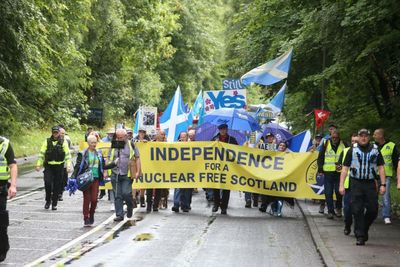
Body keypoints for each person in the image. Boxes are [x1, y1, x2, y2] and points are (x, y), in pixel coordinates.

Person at [339, 129, 386, 246]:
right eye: (361, 136)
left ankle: (363, 228)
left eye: (366, 136)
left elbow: (381, 167)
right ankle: (360, 236)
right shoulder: (352, 150)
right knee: (357, 209)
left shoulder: (375, 150)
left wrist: (383, 184)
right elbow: (345, 168)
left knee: (373, 210)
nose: (363, 138)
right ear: (358, 137)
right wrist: (341, 185)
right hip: (356, 183)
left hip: (370, 183)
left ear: (369, 137)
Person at [72, 135, 117, 226]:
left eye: (95, 142)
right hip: (85, 179)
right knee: (87, 199)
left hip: (95, 179)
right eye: (92, 143)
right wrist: (73, 177)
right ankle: (86, 218)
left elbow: (103, 166)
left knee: (94, 200)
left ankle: (91, 214)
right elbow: (77, 166)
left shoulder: (99, 153)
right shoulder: (83, 153)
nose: (94, 144)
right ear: (88, 143)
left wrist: (113, 164)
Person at [36, 126, 72, 210]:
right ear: (52, 133)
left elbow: (67, 155)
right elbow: (41, 153)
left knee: (57, 185)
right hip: (49, 166)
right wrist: (38, 164)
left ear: (59, 133)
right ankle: (48, 200)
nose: (55, 134)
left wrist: (68, 166)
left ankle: (54, 203)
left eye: (57, 132)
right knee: (47, 183)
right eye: (54, 132)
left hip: (59, 166)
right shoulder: (47, 141)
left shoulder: (63, 142)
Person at [108, 128, 140, 221]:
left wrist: (138, 171)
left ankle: (130, 206)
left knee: (126, 193)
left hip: (127, 173)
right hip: (115, 173)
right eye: (117, 137)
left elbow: (137, 158)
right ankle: (119, 215)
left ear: (126, 136)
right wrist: (106, 171)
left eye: (121, 137)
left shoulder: (132, 144)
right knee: (117, 195)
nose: (119, 139)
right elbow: (109, 157)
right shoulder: (114, 145)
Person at [317, 130, 345, 219]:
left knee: (338, 191)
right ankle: (330, 211)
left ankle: (338, 208)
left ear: (339, 137)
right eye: (333, 137)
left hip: (339, 172)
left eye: (336, 137)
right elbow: (320, 157)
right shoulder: (325, 143)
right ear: (330, 136)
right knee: (328, 193)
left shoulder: (344, 144)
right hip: (328, 172)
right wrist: (320, 169)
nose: (335, 139)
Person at [373, 128, 399, 225]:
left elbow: (396, 162)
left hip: (387, 175)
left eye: (375, 134)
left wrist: (398, 175)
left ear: (380, 135)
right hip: (374, 175)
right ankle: (373, 214)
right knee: (372, 196)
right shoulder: (373, 146)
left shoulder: (391, 146)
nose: (373, 136)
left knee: (385, 196)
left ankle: (386, 216)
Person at [211, 124, 238, 215]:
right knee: (216, 187)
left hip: (228, 167)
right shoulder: (214, 139)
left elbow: (238, 151)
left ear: (227, 130)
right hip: (217, 167)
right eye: (221, 129)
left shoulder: (232, 140)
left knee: (226, 188)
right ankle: (216, 204)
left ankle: (224, 207)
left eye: (224, 129)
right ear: (219, 130)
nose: (222, 131)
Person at [0, 136, 17, 262]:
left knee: (1, 223)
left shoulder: (5, 143)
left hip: (1, 188)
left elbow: (13, 165)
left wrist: (13, 185)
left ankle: (3, 248)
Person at [337, 133, 358, 235]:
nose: (354, 143)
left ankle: (358, 230)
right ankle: (347, 224)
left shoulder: (365, 152)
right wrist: (339, 167)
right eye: (353, 141)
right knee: (347, 208)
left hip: (360, 185)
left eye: (356, 141)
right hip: (348, 184)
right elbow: (339, 165)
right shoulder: (346, 151)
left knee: (359, 208)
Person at [172, 132, 193, 213]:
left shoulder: (192, 145)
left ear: (187, 138)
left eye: (184, 137)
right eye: (181, 137)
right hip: (178, 169)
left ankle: (185, 205)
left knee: (187, 189)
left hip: (188, 170)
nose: (182, 138)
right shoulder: (176, 145)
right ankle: (176, 204)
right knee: (178, 187)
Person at [259, 133, 277, 213]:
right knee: (264, 189)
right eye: (268, 137)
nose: (270, 138)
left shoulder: (277, 146)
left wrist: (274, 146)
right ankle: (264, 205)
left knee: (272, 189)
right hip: (265, 170)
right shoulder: (263, 146)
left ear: (273, 138)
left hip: (274, 171)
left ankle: (272, 206)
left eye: (271, 137)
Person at [133, 127, 150, 207]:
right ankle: (134, 197)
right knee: (135, 180)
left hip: (145, 162)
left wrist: (147, 143)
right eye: (140, 131)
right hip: (136, 161)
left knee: (143, 181)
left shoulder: (148, 139)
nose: (142, 133)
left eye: (143, 132)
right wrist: (136, 142)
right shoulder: (134, 139)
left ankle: (142, 197)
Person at [58, 127, 71, 201]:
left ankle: (61, 192)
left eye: (64, 133)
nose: (62, 135)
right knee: (57, 179)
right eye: (61, 133)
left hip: (65, 164)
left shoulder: (67, 140)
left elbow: (70, 150)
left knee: (64, 181)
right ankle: (58, 194)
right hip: (57, 164)